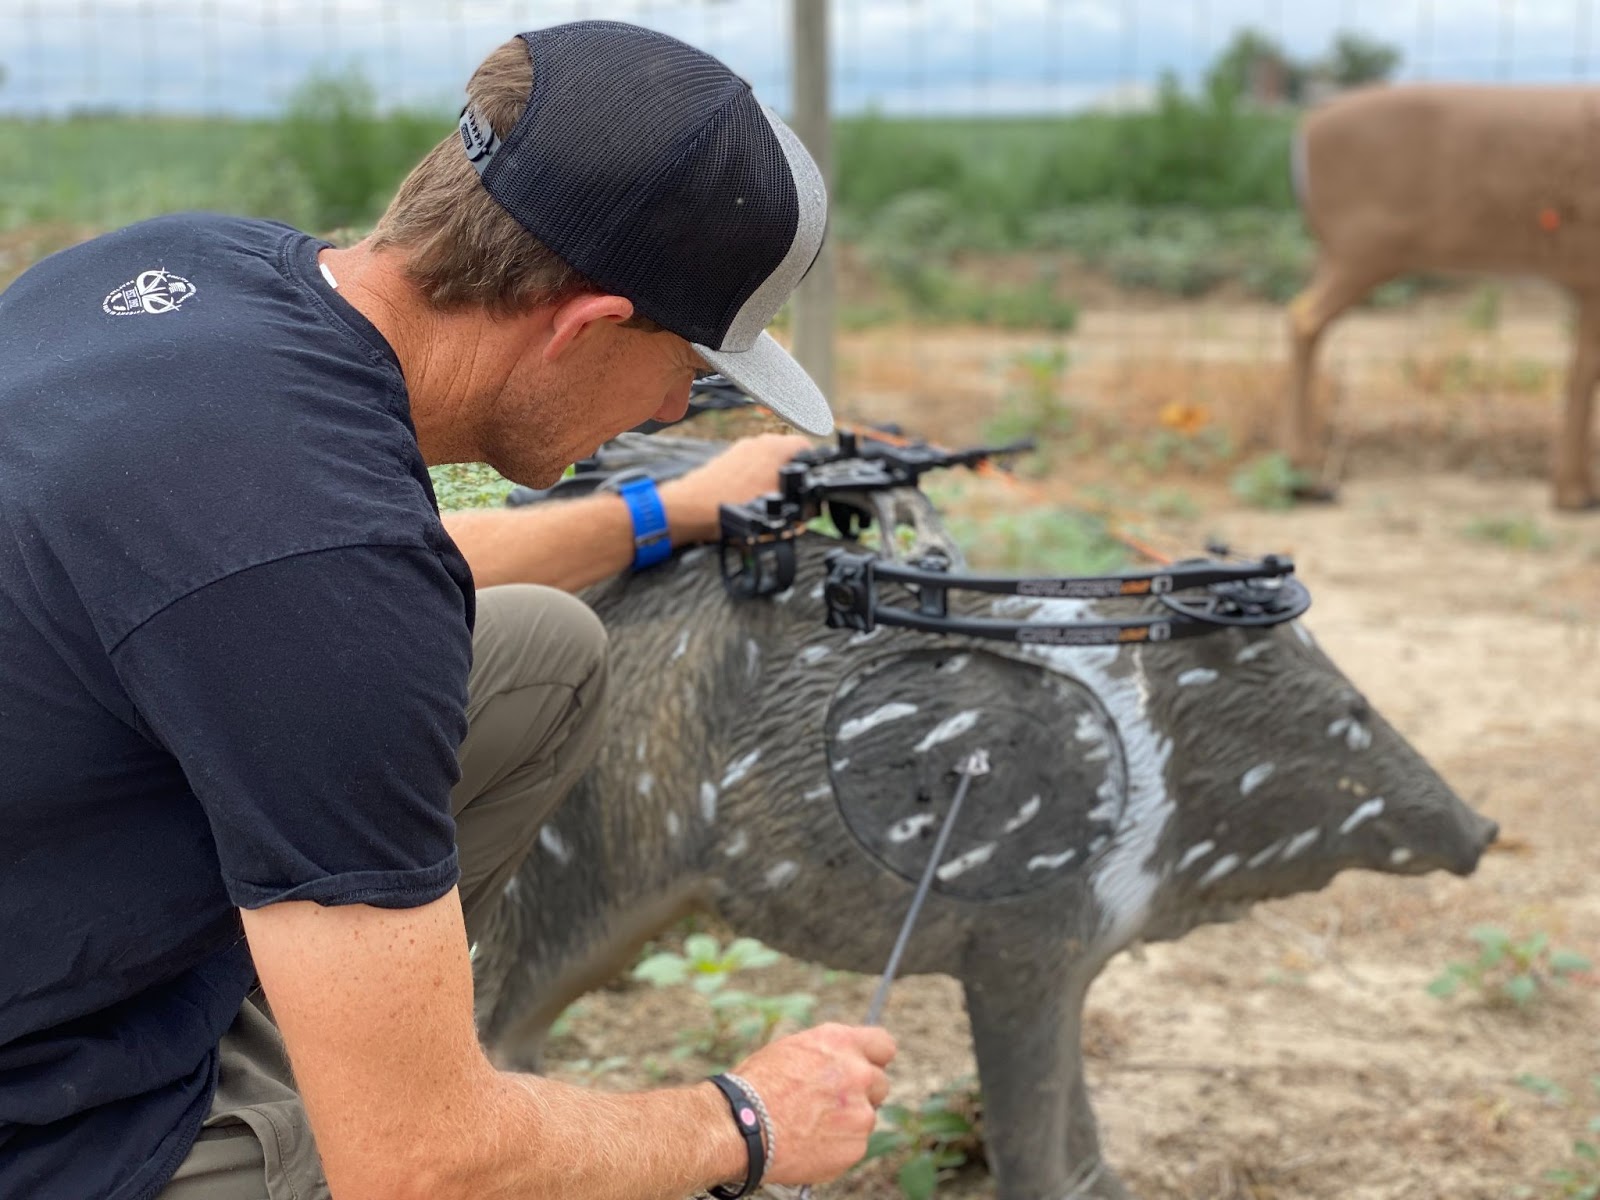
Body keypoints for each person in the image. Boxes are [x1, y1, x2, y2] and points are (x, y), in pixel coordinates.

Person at [0, 20, 896, 1200]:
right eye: (691, 370)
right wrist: (746, 1121)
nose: (680, 403)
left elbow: (308, 575)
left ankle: (327, 1047)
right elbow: (423, 1172)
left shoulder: (185, 268)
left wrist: (658, 513)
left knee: (538, 651)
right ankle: (317, 1108)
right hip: (40, 1116)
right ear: (582, 326)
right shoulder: (328, 584)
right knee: (436, 1156)